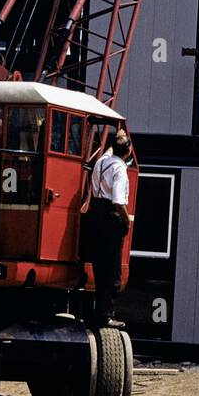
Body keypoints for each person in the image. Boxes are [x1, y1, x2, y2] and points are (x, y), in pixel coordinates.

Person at [87, 130, 132, 327]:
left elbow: (108, 151)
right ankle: (106, 314)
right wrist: (126, 221)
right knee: (112, 269)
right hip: (110, 216)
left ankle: (100, 313)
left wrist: (115, 138)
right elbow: (118, 201)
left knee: (99, 266)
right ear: (129, 151)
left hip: (95, 213)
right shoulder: (120, 169)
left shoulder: (101, 162)